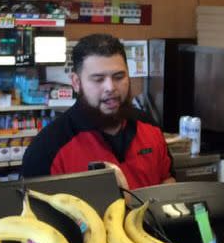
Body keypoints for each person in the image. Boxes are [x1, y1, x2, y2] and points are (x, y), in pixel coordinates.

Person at [22, 33, 175, 189]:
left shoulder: (149, 127)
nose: (111, 87)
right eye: (98, 79)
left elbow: (168, 179)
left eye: (119, 76)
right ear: (76, 82)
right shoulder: (46, 149)